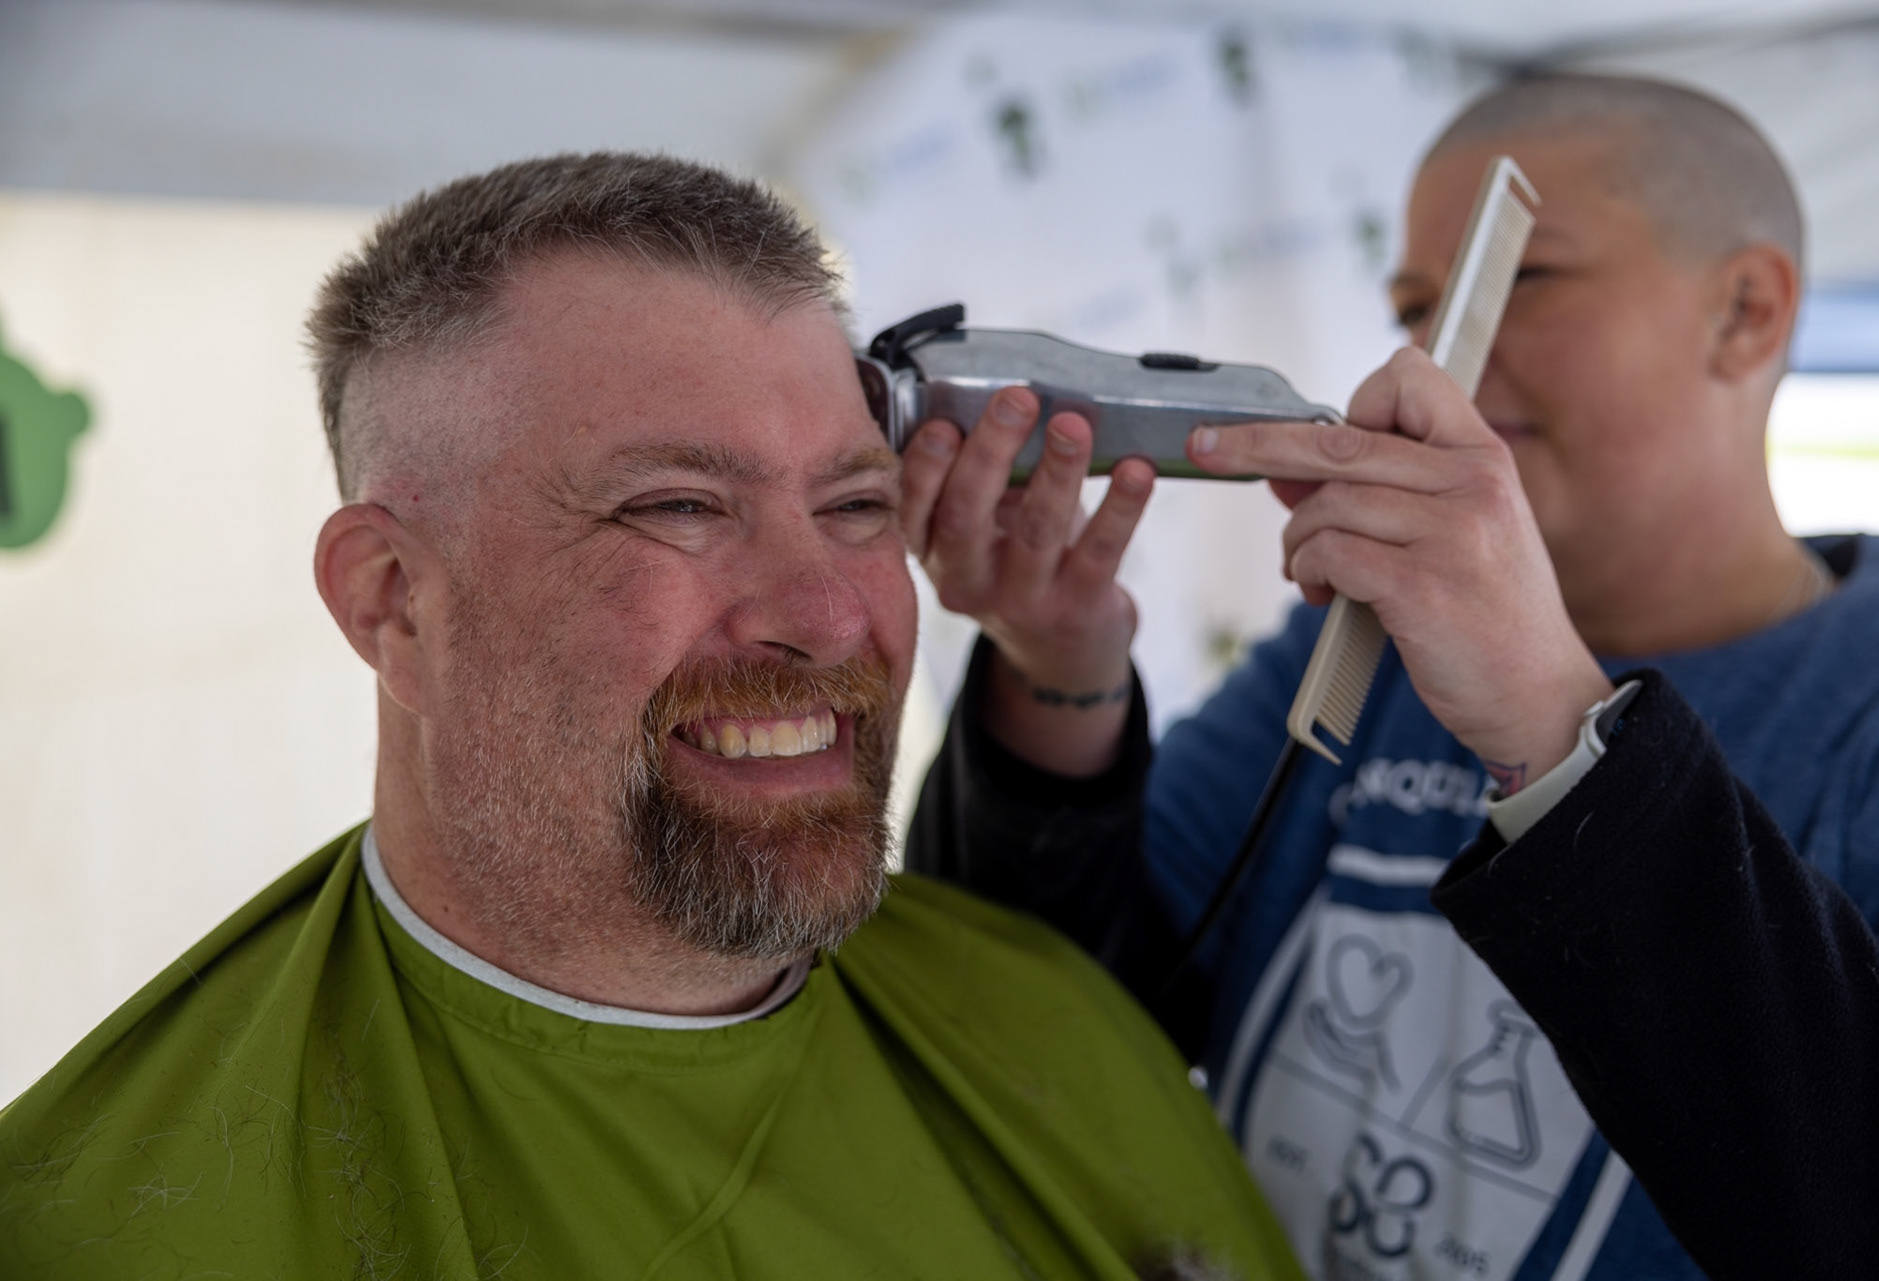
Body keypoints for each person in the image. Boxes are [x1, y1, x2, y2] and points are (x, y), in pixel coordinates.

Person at [0, 153, 1303, 1281]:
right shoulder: (95, 1231)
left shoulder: (1052, 1026)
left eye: (856, 506)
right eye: (678, 506)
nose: (828, 617)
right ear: (392, 598)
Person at [902, 74, 1879, 1279]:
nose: (1445, 360)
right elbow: (1060, 1011)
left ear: (1745, 312)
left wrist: (1556, 727)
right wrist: (1058, 675)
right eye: (1415, 308)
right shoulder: (1362, 645)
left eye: (1519, 280)